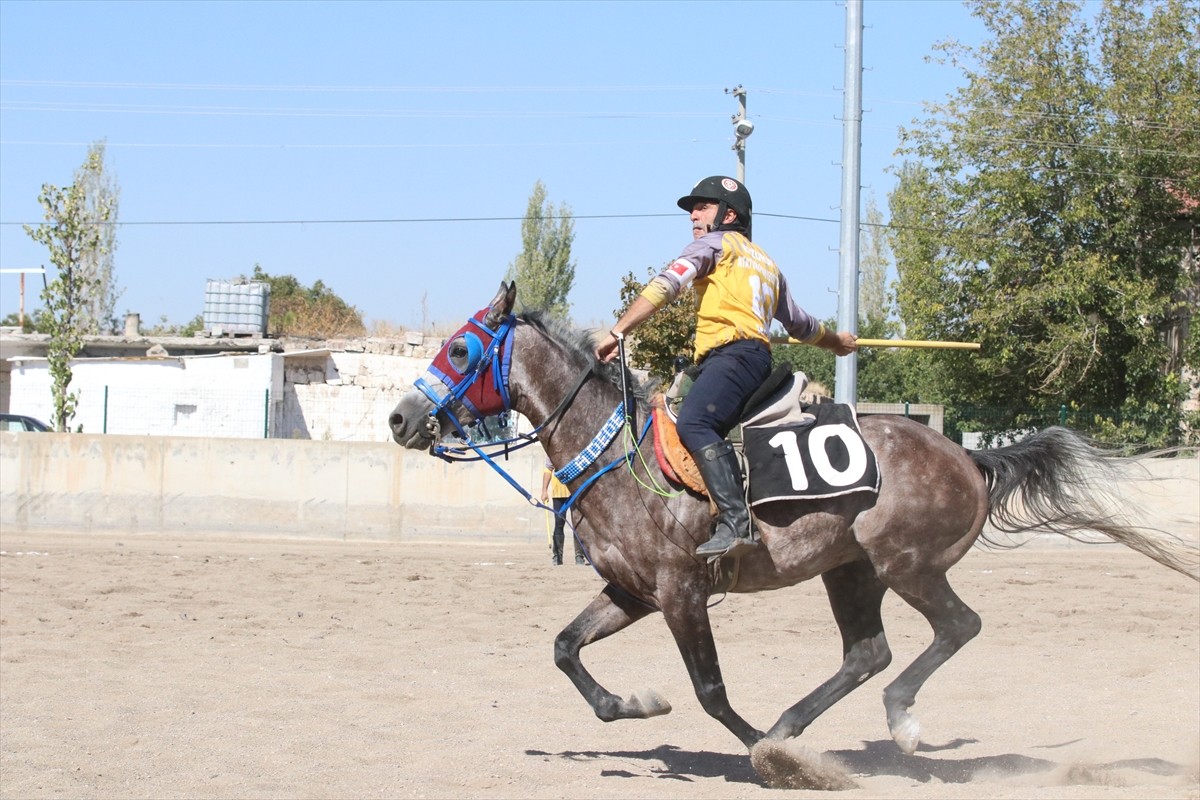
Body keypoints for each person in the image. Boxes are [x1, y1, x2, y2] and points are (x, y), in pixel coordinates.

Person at [594, 176, 857, 559]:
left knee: (696, 423)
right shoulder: (768, 264)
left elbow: (667, 285)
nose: (693, 216)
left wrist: (618, 331)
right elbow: (800, 324)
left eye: (702, 207)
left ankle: (737, 523)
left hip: (734, 357)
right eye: (692, 210)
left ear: (729, 214)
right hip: (745, 358)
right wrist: (837, 343)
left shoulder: (711, 245)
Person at [541, 458, 586, 565]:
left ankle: (579, 556)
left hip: (576, 492)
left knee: (578, 524)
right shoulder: (551, 452)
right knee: (559, 524)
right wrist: (544, 490)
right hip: (558, 494)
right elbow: (548, 469)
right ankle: (557, 556)